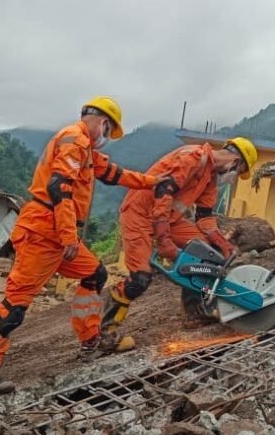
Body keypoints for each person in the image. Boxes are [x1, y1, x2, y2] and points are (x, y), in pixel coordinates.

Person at [0, 96, 164, 395]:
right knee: (15, 306)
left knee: (95, 274)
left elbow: (115, 175)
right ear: (102, 122)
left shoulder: (85, 148)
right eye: (108, 130)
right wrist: (68, 237)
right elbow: (58, 188)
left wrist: (153, 182)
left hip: (57, 234)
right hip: (43, 232)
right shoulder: (74, 140)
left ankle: (91, 340)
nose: (106, 137)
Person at [100, 137, 258, 343]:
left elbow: (204, 217)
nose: (234, 177)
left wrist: (221, 243)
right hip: (139, 215)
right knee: (140, 279)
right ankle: (105, 334)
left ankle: (195, 313)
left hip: (169, 220)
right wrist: (164, 239)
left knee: (205, 253)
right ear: (235, 162)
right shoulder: (193, 157)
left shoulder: (210, 178)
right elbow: (162, 191)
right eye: (239, 172)